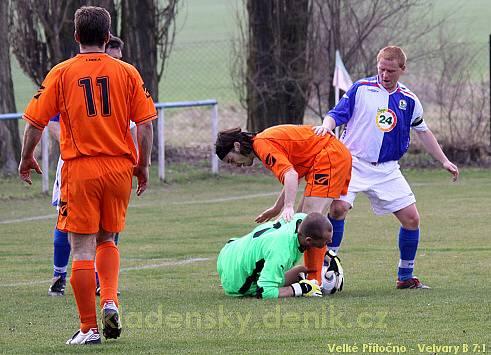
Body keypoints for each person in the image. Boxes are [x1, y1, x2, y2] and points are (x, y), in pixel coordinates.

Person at [19, 6, 156, 345]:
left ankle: (88, 328)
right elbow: (146, 125)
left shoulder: (62, 72)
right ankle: (109, 298)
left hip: (81, 168)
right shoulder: (127, 72)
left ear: (76, 36)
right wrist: (143, 165)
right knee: (106, 240)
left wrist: (26, 158)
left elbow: (36, 123)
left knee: (81, 247)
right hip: (119, 168)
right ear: (108, 37)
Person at [313, 46, 459, 289]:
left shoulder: (409, 100)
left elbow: (423, 131)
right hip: (353, 163)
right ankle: (327, 268)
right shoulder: (361, 88)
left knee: (412, 219)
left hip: (388, 170)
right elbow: (336, 114)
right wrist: (326, 126)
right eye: (381, 69)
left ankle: (405, 277)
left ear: (402, 69)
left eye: (391, 70)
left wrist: (444, 160)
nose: (385, 74)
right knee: (338, 209)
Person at [47, 35, 134, 297]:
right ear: (103, 46)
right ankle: (60, 274)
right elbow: (50, 121)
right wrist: (70, 141)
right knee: (67, 223)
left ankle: (101, 283)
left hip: (112, 163)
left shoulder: (122, 79)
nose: (116, 63)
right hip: (76, 161)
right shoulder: (70, 76)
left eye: (120, 59)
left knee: (109, 227)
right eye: (113, 57)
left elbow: (136, 126)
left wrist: (137, 161)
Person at [215, 124, 352, 285]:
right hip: (327, 156)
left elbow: (290, 174)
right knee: (300, 226)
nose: (236, 165)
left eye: (232, 160)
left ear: (237, 146)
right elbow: (294, 173)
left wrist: (288, 206)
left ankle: (315, 281)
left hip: (330, 156)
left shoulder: (262, 145)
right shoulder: (262, 142)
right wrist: (277, 207)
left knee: (310, 223)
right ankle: (313, 276)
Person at [217, 212, 331, 298]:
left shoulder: (300, 218)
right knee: (274, 283)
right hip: (235, 281)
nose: (330, 242)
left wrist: (331, 256)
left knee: (302, 271)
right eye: (326, 242)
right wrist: (300, 289)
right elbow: (264, 292)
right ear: (308, 240)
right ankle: (236, 280)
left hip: (230, 250)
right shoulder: (281, 251)